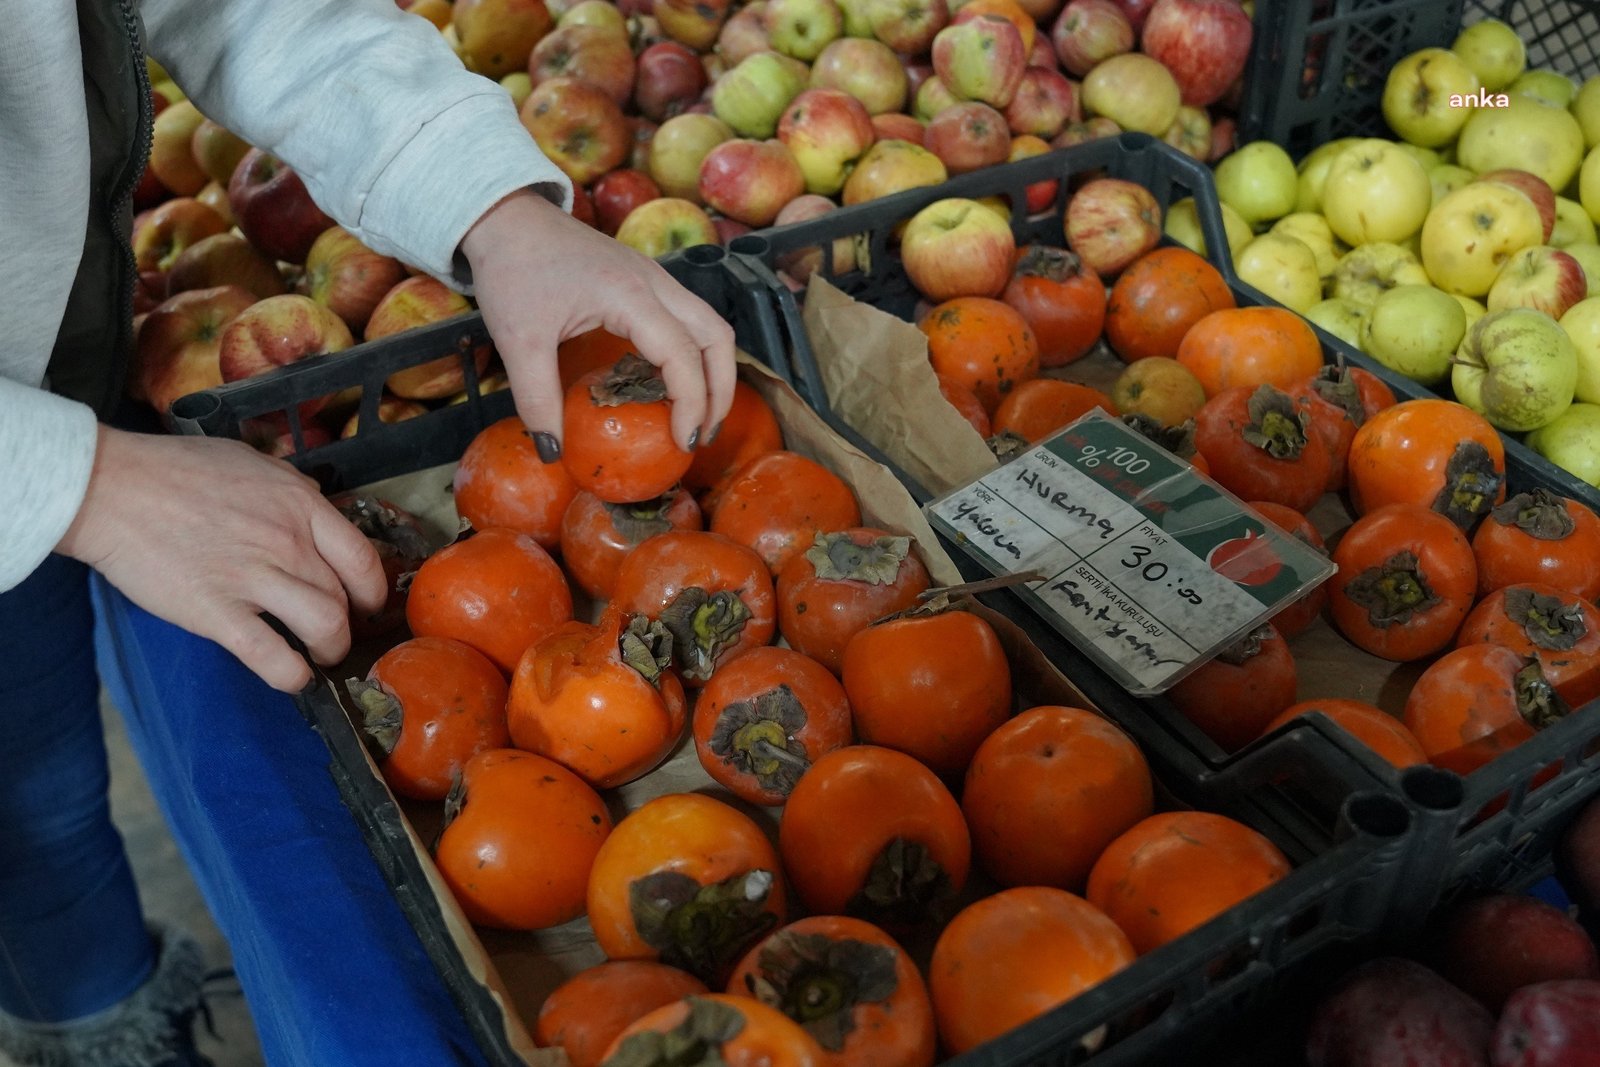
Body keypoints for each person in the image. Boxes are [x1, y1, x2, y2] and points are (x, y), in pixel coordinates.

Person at [0, 1, 736, 1064]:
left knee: (54, 795)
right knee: (21, 811)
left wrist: (495, 208)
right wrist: (75, 483)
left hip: (54, 371)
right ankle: (89, 1029)